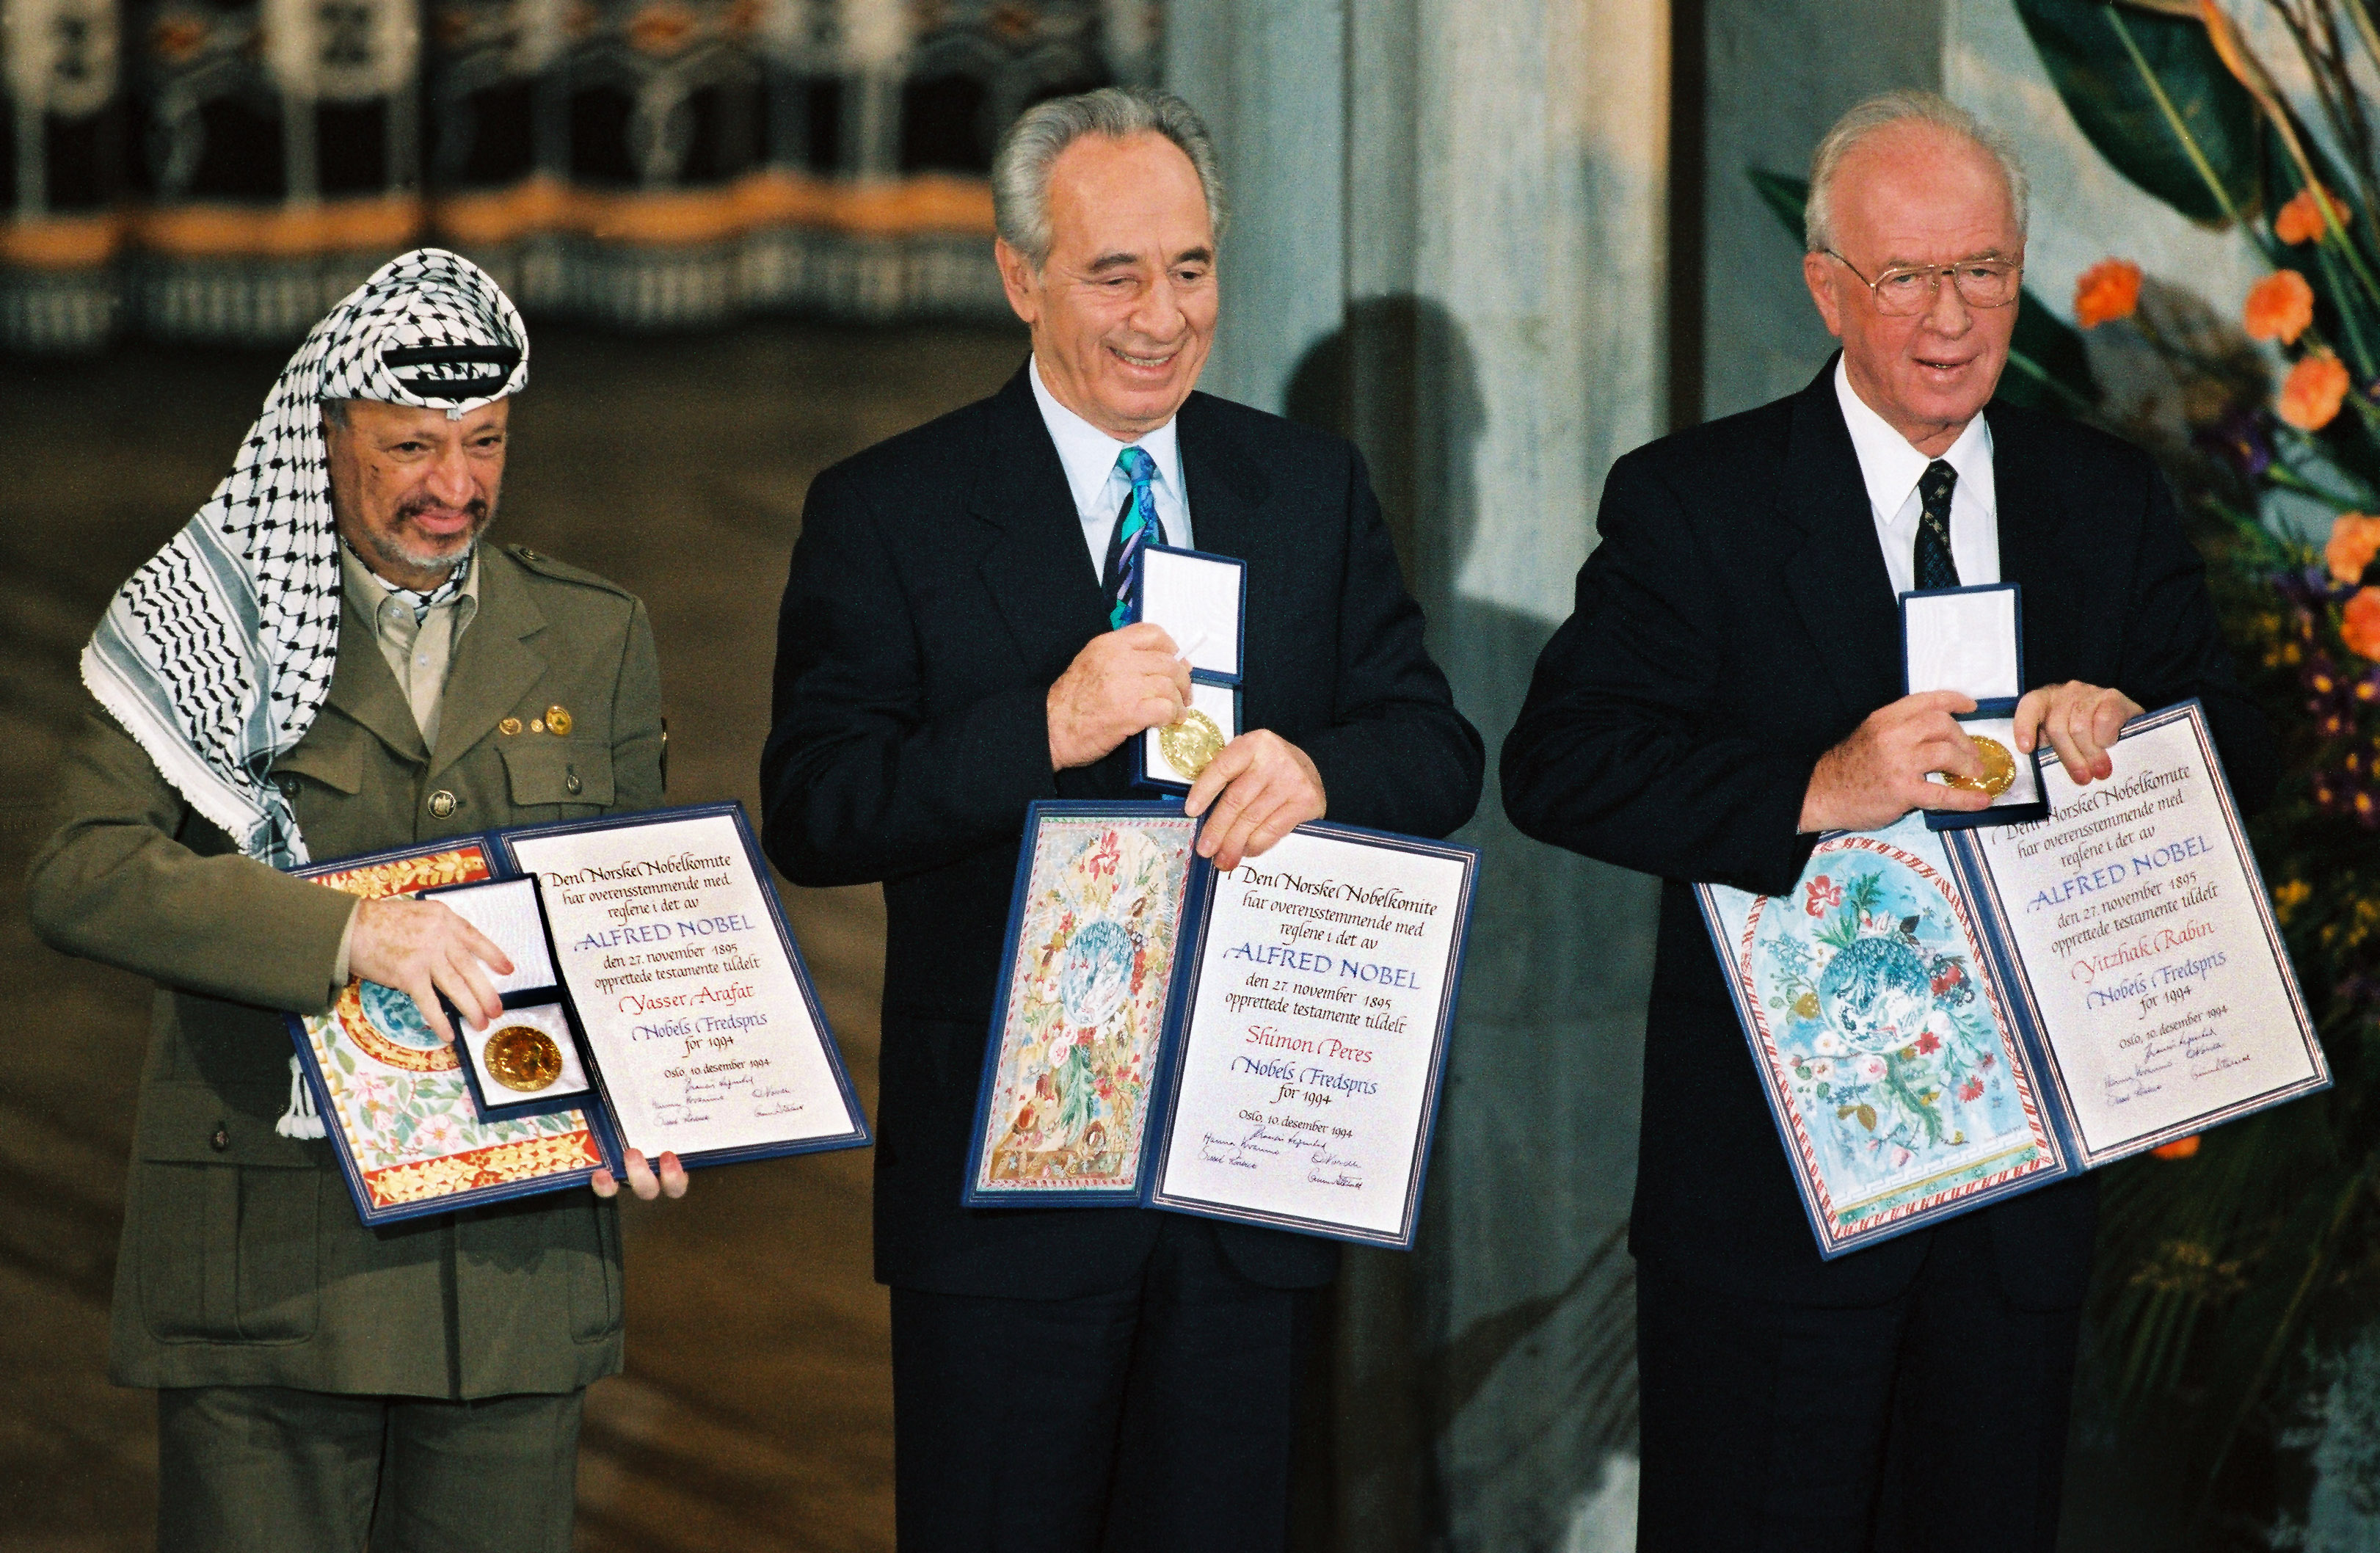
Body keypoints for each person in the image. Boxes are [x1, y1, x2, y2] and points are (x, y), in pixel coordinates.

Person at [1501, 92, 2274, 1549]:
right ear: (1825, 288)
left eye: (1982, 270)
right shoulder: (1697, 503)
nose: (1949, 318)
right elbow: (1557, 764)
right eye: (1904, 275)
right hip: (1769, 1221)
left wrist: (2135, 738)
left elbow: (2237, 744)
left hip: (2017, 1213)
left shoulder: (2101, 499)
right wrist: (1816, 788)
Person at [762, 86, 1482, 1552]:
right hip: (1007, 1199)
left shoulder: (1303, 487)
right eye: (1116, 275)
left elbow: (1436, 746)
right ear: (1019, 277)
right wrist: (1041, 728)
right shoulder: (891, 508)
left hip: (1245, 1182)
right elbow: (818, 809)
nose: (1163, 317)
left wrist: (1320, 772)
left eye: (1191, 269)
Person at [27, 249, 687, 1553]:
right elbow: (81, 871)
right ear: (325, 436)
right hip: (275, 1272)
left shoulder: (597, 634)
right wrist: (346, 933)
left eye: (485, 442)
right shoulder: (202, 629)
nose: (456, 487)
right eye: (412, 447)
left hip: (510, 1283)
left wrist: (654, 1094)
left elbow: (620, 919)